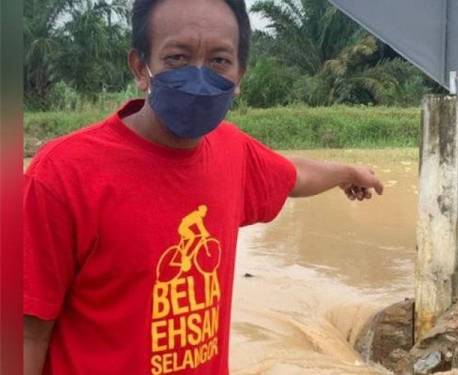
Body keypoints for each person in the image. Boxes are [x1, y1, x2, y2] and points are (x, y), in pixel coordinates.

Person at [23, 0, 383, 374]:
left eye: (219, 61)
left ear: (240, 74)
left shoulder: (232, 151)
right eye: (177, 58)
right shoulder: (62, 174)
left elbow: (293, 175)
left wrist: (347, 172)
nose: (198, 77)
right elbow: (25, 335)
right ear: (140, 68)